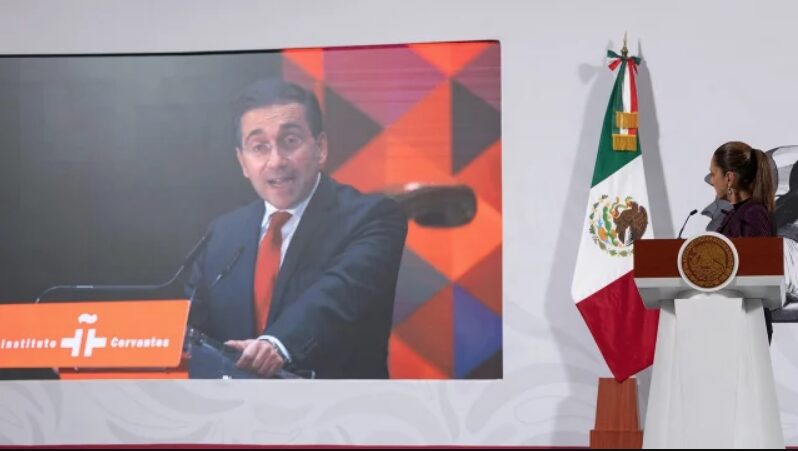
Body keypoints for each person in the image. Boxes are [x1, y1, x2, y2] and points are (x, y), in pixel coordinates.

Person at [186, 79, 408, 379]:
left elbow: (336, 297)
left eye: (290, 141)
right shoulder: (223, 233)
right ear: (242, 162)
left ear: (321, 148)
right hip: (234, 406)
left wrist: (275, 345)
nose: (276, 161)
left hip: (335, 404)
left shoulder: (372, 218)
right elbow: (189, 328)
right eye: (259, 147)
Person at [707, 140, 776, 342]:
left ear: (729, 178)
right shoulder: (736, 213)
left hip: (748, 323)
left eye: (713, 174)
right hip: (736, 319)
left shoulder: (753, 214)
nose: (711, 181)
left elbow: (758, 270)